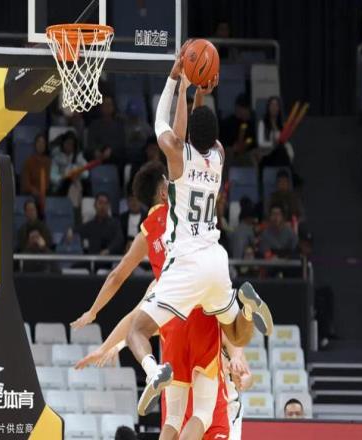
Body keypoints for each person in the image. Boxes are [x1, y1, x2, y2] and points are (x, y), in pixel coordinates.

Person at [126, 53, 273, 437]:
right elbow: (197, 132)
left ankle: (152, 371)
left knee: (136, 332)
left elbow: (164, 125)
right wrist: (200, 91)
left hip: (187, 264)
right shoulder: (219, 156)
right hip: (216, 261)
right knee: (236, 334)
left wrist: (177, 80)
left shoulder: (177, 158)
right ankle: (247, 305)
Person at [71, 160, 254, 440]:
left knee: (172, 419)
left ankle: (151, 370)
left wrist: (96, 318)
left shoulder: (146, 233)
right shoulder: (183, 213)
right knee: (202, 413)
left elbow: (119, 281)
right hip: (202, 309)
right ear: (164, 190)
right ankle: (249, 311)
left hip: (171, 317)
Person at [50, 131, 91, 211]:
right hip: (61, 185)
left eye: (71, 144)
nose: (69, 146)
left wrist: (77, 172)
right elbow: (53, 176)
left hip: (76, 182)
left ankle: (74, 209)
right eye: (67, 143)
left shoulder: (78, 157)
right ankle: (72, 208)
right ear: (63, 144)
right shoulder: (57, 158)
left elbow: (86, 173)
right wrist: (64, 176)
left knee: (77, 184)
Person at [220, 94, 257, 170]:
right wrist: (233, 148)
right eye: (243, 109)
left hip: (246, 151)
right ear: (238, 108)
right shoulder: (228, 123)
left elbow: (251, 139)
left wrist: (246, 144)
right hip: (231, 151)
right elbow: (223, 140)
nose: (246, 112)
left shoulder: (250, 123)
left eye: (247, 110)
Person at [87, 95, 126, 165]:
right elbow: (90, 142)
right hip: (97, 158)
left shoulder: (119, 125)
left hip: (114, 158)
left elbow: (121, 143)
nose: (107, 108)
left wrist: (111, 150)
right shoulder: (94, 125)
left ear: (113, 107)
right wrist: (95, 150)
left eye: (109, 105)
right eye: (105, 105)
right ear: (101, 108)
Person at [258, 96, 294, 167]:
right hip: (268, 153)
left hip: (282, 154)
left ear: (279, 108)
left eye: (276, 105)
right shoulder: (262, 123)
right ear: (268, 108)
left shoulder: (283, 125)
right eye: (272, 105)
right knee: (280, 151)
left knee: (282, 150)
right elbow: (260, 143)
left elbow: (285, 142)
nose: (274, 107)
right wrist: (273, 144)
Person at [20, 134, 51, 202]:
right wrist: (35, 191)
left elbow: (49, 182)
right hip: (32, 196)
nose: (41, 145)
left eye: (43, 143)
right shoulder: (29, 161)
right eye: (39, 142)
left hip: (47, 196)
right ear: (35, 144)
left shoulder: (49, 161)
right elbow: (25, 184)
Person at [124, 97, 154, 166]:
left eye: (136, 116)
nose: (134, 118)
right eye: (132, 116)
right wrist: (131, 137)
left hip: (144, 155)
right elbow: (122, 143)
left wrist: (143, 137)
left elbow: (151, 141)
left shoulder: (146, 126)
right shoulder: (123, 126)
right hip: (129, 155)